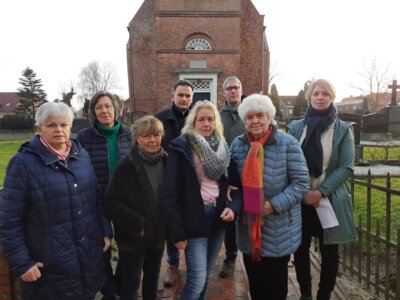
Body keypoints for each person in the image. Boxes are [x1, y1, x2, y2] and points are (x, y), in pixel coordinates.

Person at [0, 102, 112, 299]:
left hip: (86, 256)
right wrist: (22, 263)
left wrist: (104, 230)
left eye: (64, 124)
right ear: (39, 128)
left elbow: (96, 199)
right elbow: (9, 221)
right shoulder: (23, 163)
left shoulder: (81, 155)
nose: (58, 130)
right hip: (50, 266)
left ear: (71, 127)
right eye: (51, 125)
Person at [230, 94, 309, 300]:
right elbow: (232, 182)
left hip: (279, 227)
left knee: (275, 288)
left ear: (269, 116)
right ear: (244, 120)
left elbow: (300, 183)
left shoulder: (288, 144)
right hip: (249, 226)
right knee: (256, 286)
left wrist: (273, 205)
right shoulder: (237, 145)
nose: (254, 121)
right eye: (249, 117)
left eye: (260, 115)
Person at [164, 100, 241, 300]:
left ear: (216, 122)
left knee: (205, 274)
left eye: (210, 119)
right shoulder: (182, 147)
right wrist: (178, 233)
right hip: (194, 218)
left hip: (218, 216)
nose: (206, 123)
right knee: (197, 278)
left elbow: (235, 186)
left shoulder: (223, 147)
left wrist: (232, 207)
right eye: (201, 119)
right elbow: (170, 193)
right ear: (193, 122)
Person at [287, 79, 357, 300]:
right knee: (300, 249)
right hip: (300, 200)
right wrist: (303, 192)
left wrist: (320, 191)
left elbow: (346, 166)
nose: (320, 97)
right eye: (316, 93)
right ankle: (305, 294)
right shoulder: (296, 128)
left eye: (325, 93)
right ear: (309, 97)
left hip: (329, 199)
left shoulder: (343, 130)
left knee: (329, 252)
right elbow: (288, 162)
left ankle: (324, 295)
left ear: (332, 98)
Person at [76, 91, 132, 300]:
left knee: (128, 247)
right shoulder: (84, 138)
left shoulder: (129, 135)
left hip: (124, 201)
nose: (104, 110)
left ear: (116, 109)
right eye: (99, 107)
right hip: (96, 200)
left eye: (108, 106)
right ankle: (109, 289)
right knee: (103, 247)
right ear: (93, 112)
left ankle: (120, 282)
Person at [104, 116, 167, 300]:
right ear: (137, 138)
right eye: (146, 136)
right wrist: (138, 224)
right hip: (133, 236)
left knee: (153, 276)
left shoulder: (167, 161)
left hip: (157, 233)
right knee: (131, 282)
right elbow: (111, 201)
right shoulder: (125, 166)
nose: (153, 140)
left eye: (157, 135)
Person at [155, 79, 194, 287]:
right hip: (168, 178)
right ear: (173, 96)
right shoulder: (161, 119)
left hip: (193, 180)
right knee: (172, 222)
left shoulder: (197, 118)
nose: (184, 99)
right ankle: (172, 263)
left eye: (188, 95)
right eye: (181, 95)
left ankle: (193, 264)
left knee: (191, 220)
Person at [219, 76, 246, 278]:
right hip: (229, 175)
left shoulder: (250, 112)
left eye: (236, 88)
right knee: (230, 218)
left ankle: (255, 253)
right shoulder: (218, 117)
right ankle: (230, 256)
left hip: (252, 173)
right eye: (229, 88)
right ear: (224, 92)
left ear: (241, 90)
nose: (233, 91)